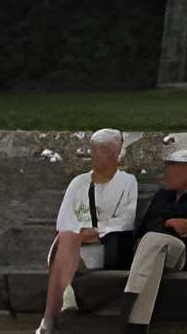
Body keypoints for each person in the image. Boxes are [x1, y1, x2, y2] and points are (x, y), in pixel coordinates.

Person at [35, 129, 136, 334]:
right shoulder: (79, 182)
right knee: (67, 240)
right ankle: (53, 313)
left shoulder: (127, 182)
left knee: (65, 247)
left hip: (108, 246)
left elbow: (126, 220)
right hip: (75, 243)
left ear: (115, 153)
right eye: (95, 149)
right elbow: (64, 219)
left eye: (104, 149)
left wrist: (98, 231)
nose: (97, 154)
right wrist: (80, 233)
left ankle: (52, 315)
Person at [111, 145, 187, 326]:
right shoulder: (162, 195)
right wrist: (168, 224)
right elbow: (144, 226)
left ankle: (129, 297)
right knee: (154, 251)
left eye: (174, 165)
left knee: (154, 240)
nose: (166, 171)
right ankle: (136, 325)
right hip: (152, 253)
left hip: (181, 256)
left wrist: (182, 227)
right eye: (167, 165)